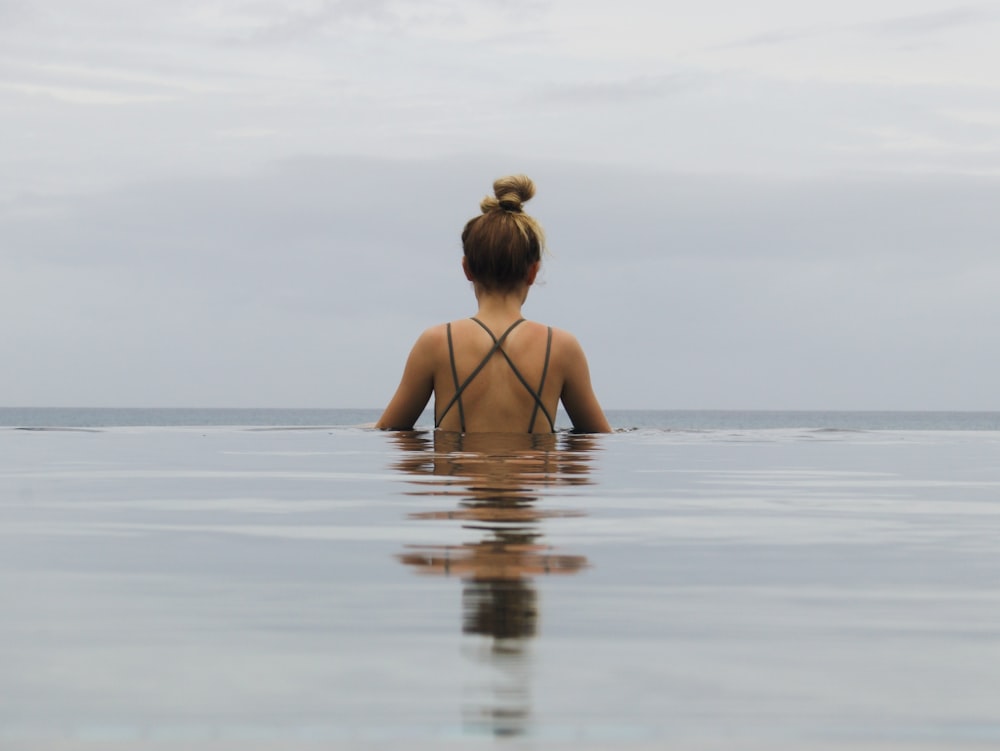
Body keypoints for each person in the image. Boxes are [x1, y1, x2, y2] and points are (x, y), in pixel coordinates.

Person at [376, 175, 611, 434]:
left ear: (467, 269)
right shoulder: (562, 348)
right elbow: (597, 441)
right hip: (533, 474)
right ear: (533, 272)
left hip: (457, 474)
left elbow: (389, 432)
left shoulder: (435, 343)